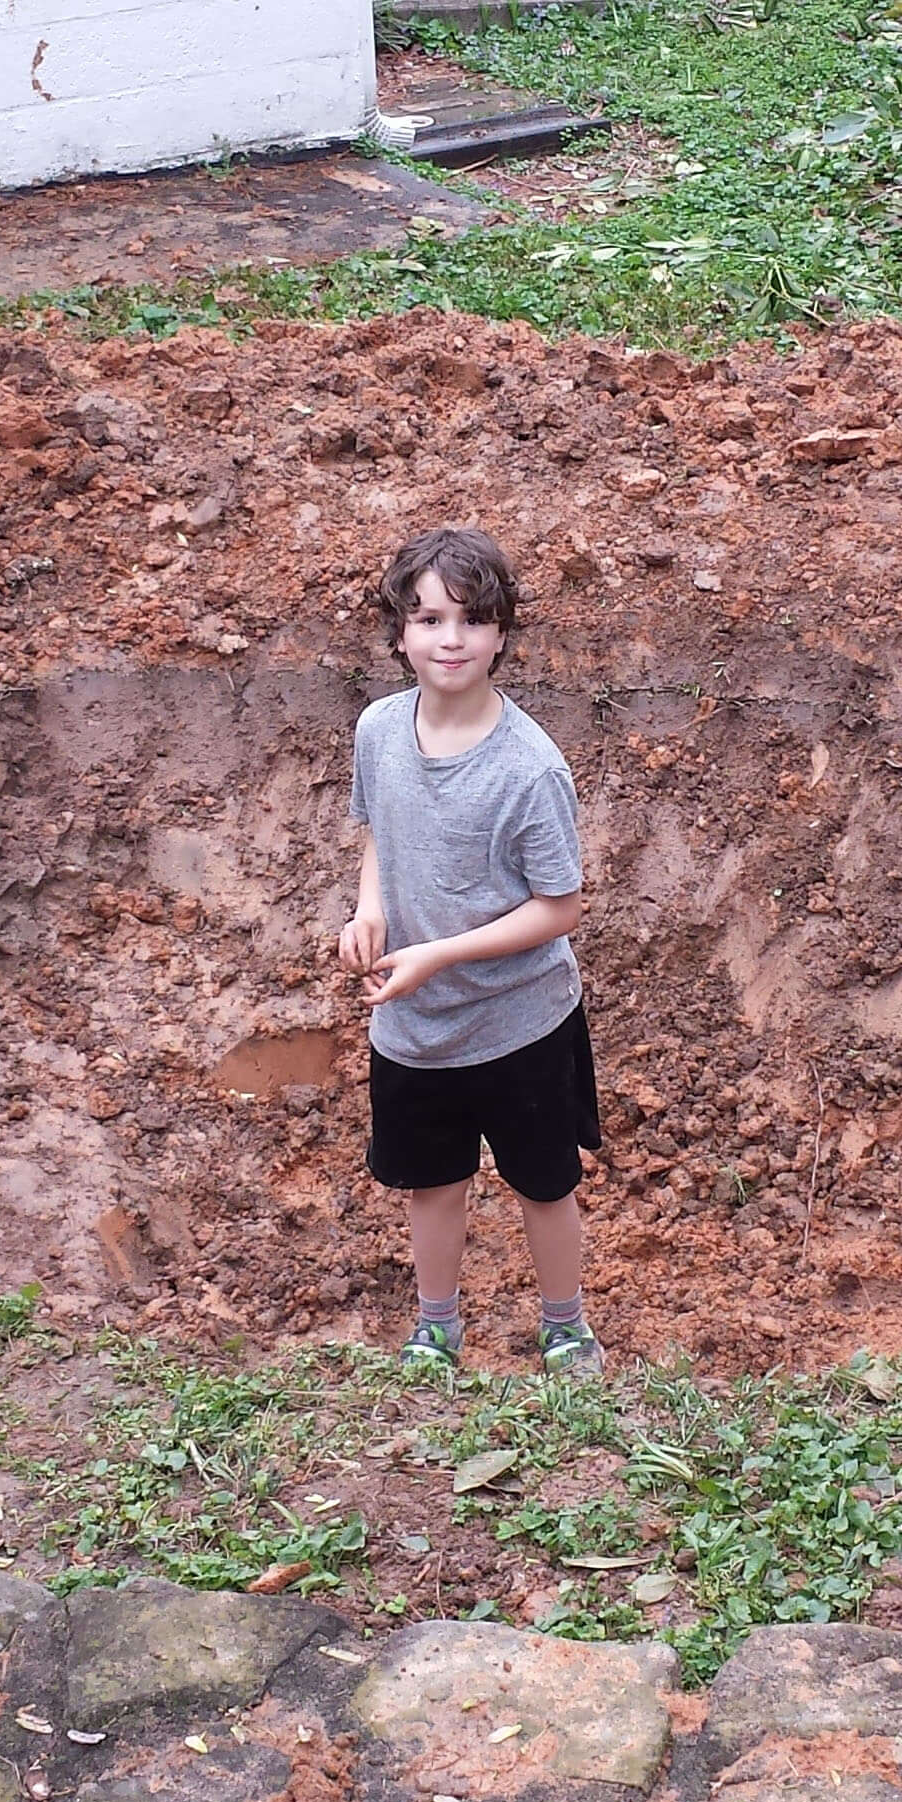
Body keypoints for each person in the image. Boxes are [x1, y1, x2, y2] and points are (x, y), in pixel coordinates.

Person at [337, 527, 604, 1378]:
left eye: (470, 619)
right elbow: (379, 829)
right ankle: (436, 1328)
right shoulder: (379, 729)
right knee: (433, 1184)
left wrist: (441, 954)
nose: (449, 639)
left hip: (522, 1022)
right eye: (427, 618)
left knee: (543, 1184)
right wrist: (369, 908)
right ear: (400, 632)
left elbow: (562, 907)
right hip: (414, 1023)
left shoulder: (528, 768)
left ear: (501, 634)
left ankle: (565, 1327)